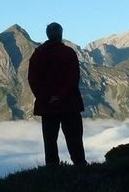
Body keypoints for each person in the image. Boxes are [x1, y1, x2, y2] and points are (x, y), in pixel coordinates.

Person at [28, 22, 87, 166]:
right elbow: (73, 78)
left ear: (47, 34)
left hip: (47, 107)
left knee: (50, 141)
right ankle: (80, 166)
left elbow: (33, 79)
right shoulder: (68, 53)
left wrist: (47, 98)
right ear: (61, 34)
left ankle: (52, 169)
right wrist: (61, 96)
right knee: (74, 139)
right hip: (69, 104)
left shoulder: (38, 54)